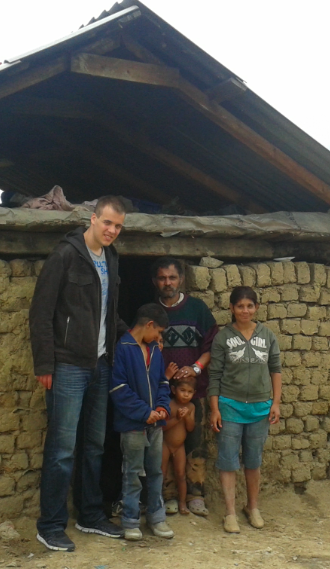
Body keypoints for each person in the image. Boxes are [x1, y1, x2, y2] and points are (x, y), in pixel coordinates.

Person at [29, 195, 127, 552]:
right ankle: (50, 525)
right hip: (68, 364)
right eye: (107, 223)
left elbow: (109, 312)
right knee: (61, 449)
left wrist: (130, 339)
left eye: (118, 226)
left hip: (101, 364)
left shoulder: (112, 259)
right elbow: (41, 313)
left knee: (94, 446)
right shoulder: (65, 255)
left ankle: (90, 515)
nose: (112, 231)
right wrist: (44, 365)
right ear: (93, 218)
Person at [208, 286, 282, 534]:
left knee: (253, 461)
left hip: (260, 409)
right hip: (229, 407)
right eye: (240, 306)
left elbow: (276, 369)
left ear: (256, 308)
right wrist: (215, 408)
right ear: (231, 308)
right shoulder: (223, 338)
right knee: (228, 461)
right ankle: (230, 512)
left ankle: (252, 507)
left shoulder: (267, 336)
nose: (245, 310)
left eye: (250, 306)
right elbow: (215, 375)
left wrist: (276, 402)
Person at [151, 257, 219, 517]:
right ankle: (167, 495)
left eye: (172, 277)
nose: (167, 283)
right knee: (164, 444)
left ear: (181, 279)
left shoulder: (197, 309)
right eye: (162, 278)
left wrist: (197, 368)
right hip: (162, 392)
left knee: (194, 442)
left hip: (194, 391)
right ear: (155, 281)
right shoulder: (151, 312)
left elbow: (212, 344)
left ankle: (196, 494)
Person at [110, 303, 174, 540]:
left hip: (156, 424)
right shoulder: (123, 349)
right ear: (148, 325)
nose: (159, 338)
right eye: (158, 332)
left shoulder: (155, 351)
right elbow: (118, 388)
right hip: (133, 426)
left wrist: (161, 407)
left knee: (156, 471)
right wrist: (142, 412)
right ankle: (130, 520)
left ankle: (157, 518)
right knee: (133, 473)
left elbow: (161, 383)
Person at [162, 377, 196, 515]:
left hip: (179, 446)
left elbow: (190, 428)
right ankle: (158, 502)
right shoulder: (169, 404)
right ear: (174, 390)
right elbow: (163, 427)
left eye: (189, 392)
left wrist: (187, 417)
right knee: (161, 474)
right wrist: (177, 418)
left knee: (181, 474)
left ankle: (182, 503)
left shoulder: (191, 407)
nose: (186, 394)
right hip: (165, 444)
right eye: (182, 390)